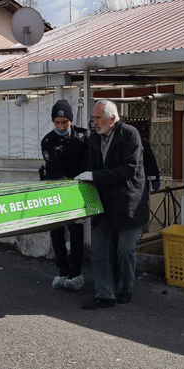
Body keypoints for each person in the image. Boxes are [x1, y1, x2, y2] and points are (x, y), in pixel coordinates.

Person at [74, 100, 149, 310]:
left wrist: (95, 175)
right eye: (94, 117)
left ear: (112, 118)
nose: (94, 122)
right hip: (104, 203)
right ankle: (105, 294)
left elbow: (129, 169)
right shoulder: (94, 139)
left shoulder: (130, 134)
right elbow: (90, 167)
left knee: (125, 249)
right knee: (99, 251)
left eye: (98, 118)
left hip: (129, 204)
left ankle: (126, 288)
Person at [39, 99, 88, 291]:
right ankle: (63, 271)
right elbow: (54, 169)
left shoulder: (84, 137)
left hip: (79, 189)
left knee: (76, 232)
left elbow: (88, 163)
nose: (60, 127)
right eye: (57, 123)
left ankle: (76, 272)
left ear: (71, 121)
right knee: (57, 232)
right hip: (57, 190)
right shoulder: (48, 141)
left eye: (64, 123)